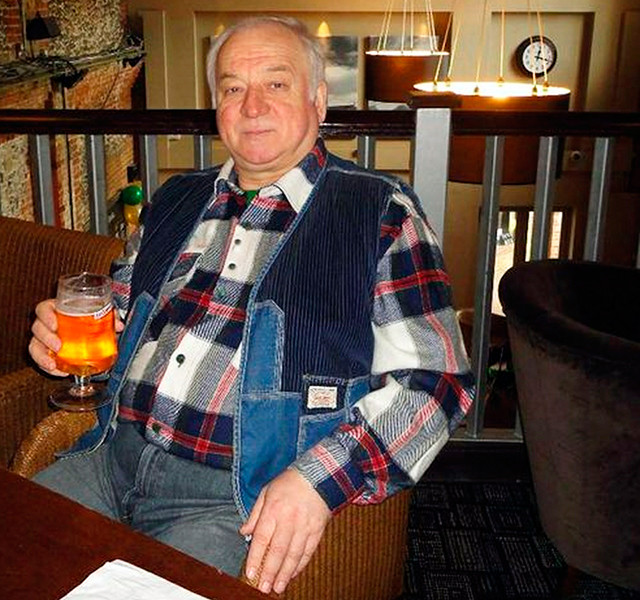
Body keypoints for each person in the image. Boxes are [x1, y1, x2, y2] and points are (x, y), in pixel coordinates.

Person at [29, 15, 474, 595]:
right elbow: (119, 306)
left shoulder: (378, 212)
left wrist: (317, 480)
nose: (252, 105)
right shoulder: (176, 197)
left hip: (233, 500)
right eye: (233, 87)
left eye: (276, 83)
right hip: (109, 457)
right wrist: (63, 338)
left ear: (318, 100)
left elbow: (437, 383)